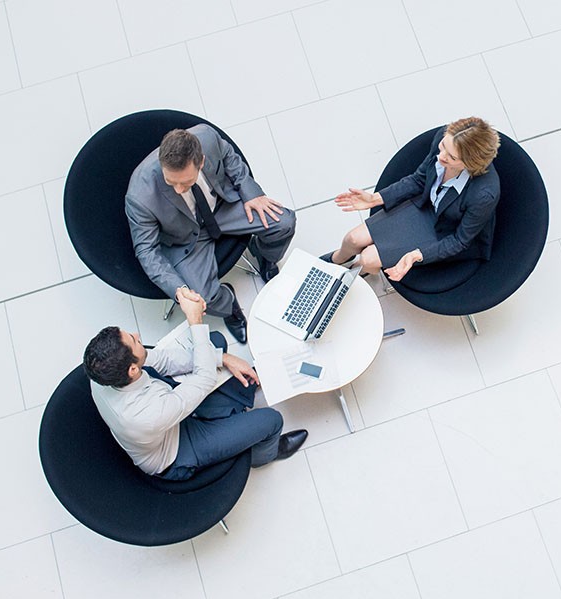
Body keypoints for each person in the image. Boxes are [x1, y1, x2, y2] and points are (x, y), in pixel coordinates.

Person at [83, 286, 308, 480]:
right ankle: (262, 455)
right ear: (133, 370)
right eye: (134, 340)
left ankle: (234, 406)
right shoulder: (145, 416)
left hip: (164, 413)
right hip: (176, 450)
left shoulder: (103, 375)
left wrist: (222, 358)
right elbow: (204, 378)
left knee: (214, 344)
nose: (137, 334)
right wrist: (195, 321)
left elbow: (159, 360)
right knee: (271, 420)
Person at [126, 124, 296, 345]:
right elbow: (146, 250)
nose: (178, 189)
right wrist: (179, 291)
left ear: (202, 161)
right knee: (203, 298)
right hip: (185, 237)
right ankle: (229, 305)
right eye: (171, 182)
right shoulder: (139, 197)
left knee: (284, 222)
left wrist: (250, 191)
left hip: (222, 208)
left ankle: (265, 255)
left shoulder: (207, 137)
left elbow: (229, 156)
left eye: (185, 182)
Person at [322, 117, 501, 282]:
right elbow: (419, 179)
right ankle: (337, 260)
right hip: (425, 206)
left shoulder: (483, 194)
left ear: (470, 165)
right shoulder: (445, 140)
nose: (441, 157)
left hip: (446, 231)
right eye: (443, 145)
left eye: (452, 157)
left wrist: (417, 255)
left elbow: (460, 241)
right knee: (353, 239)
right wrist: (374, 199)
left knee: (368, 259)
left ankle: (350, 275)